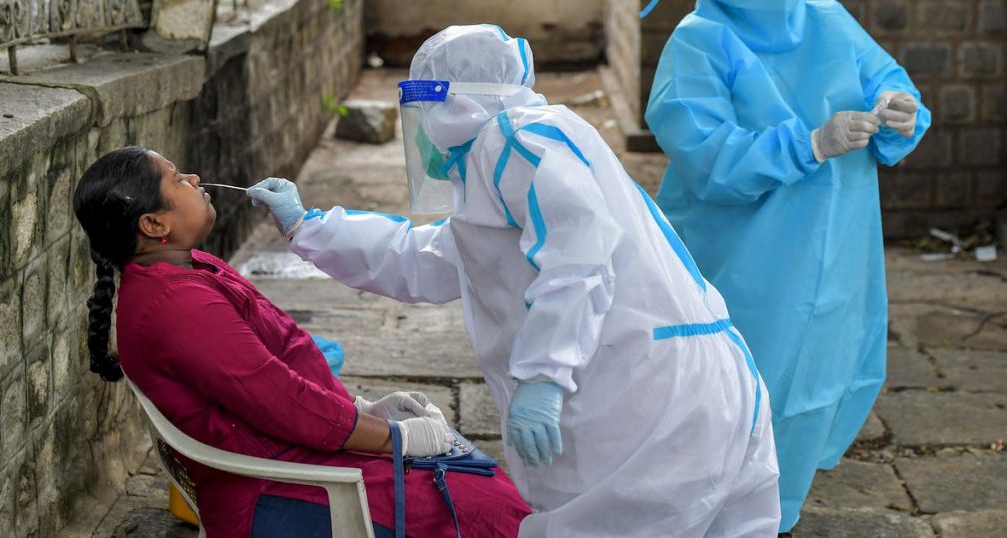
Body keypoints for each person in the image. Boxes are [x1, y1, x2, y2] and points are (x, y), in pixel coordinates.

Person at [249, 24, 780, 537]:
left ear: (455, 104)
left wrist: (544, 375)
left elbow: (578, 253)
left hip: (650, 395)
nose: (423, 129)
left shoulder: (515, 138)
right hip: (696, 387)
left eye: (426, 108)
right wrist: (308, 226)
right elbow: (426, 258)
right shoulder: (507, 161)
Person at [72, 146, 531, 538]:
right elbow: (281, 400)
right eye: (177, 179)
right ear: (154, 225)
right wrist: (394, 437)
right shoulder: (176, 305)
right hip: (279, 487)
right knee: (484, 508)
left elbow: (279, 365)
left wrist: (363, 410)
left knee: (478, 480)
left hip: (300, 446)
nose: (193, 178)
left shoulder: (192, 268)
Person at [643, 0, 931, 533]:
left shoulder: (826, 17)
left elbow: (887, 81)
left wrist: (900, 111)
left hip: (838, 246)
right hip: (742, 257)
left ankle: (777, 512)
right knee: (730, 385)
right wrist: (809, 144)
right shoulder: (701, 39)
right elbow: (707, 156)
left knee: (819, 371)